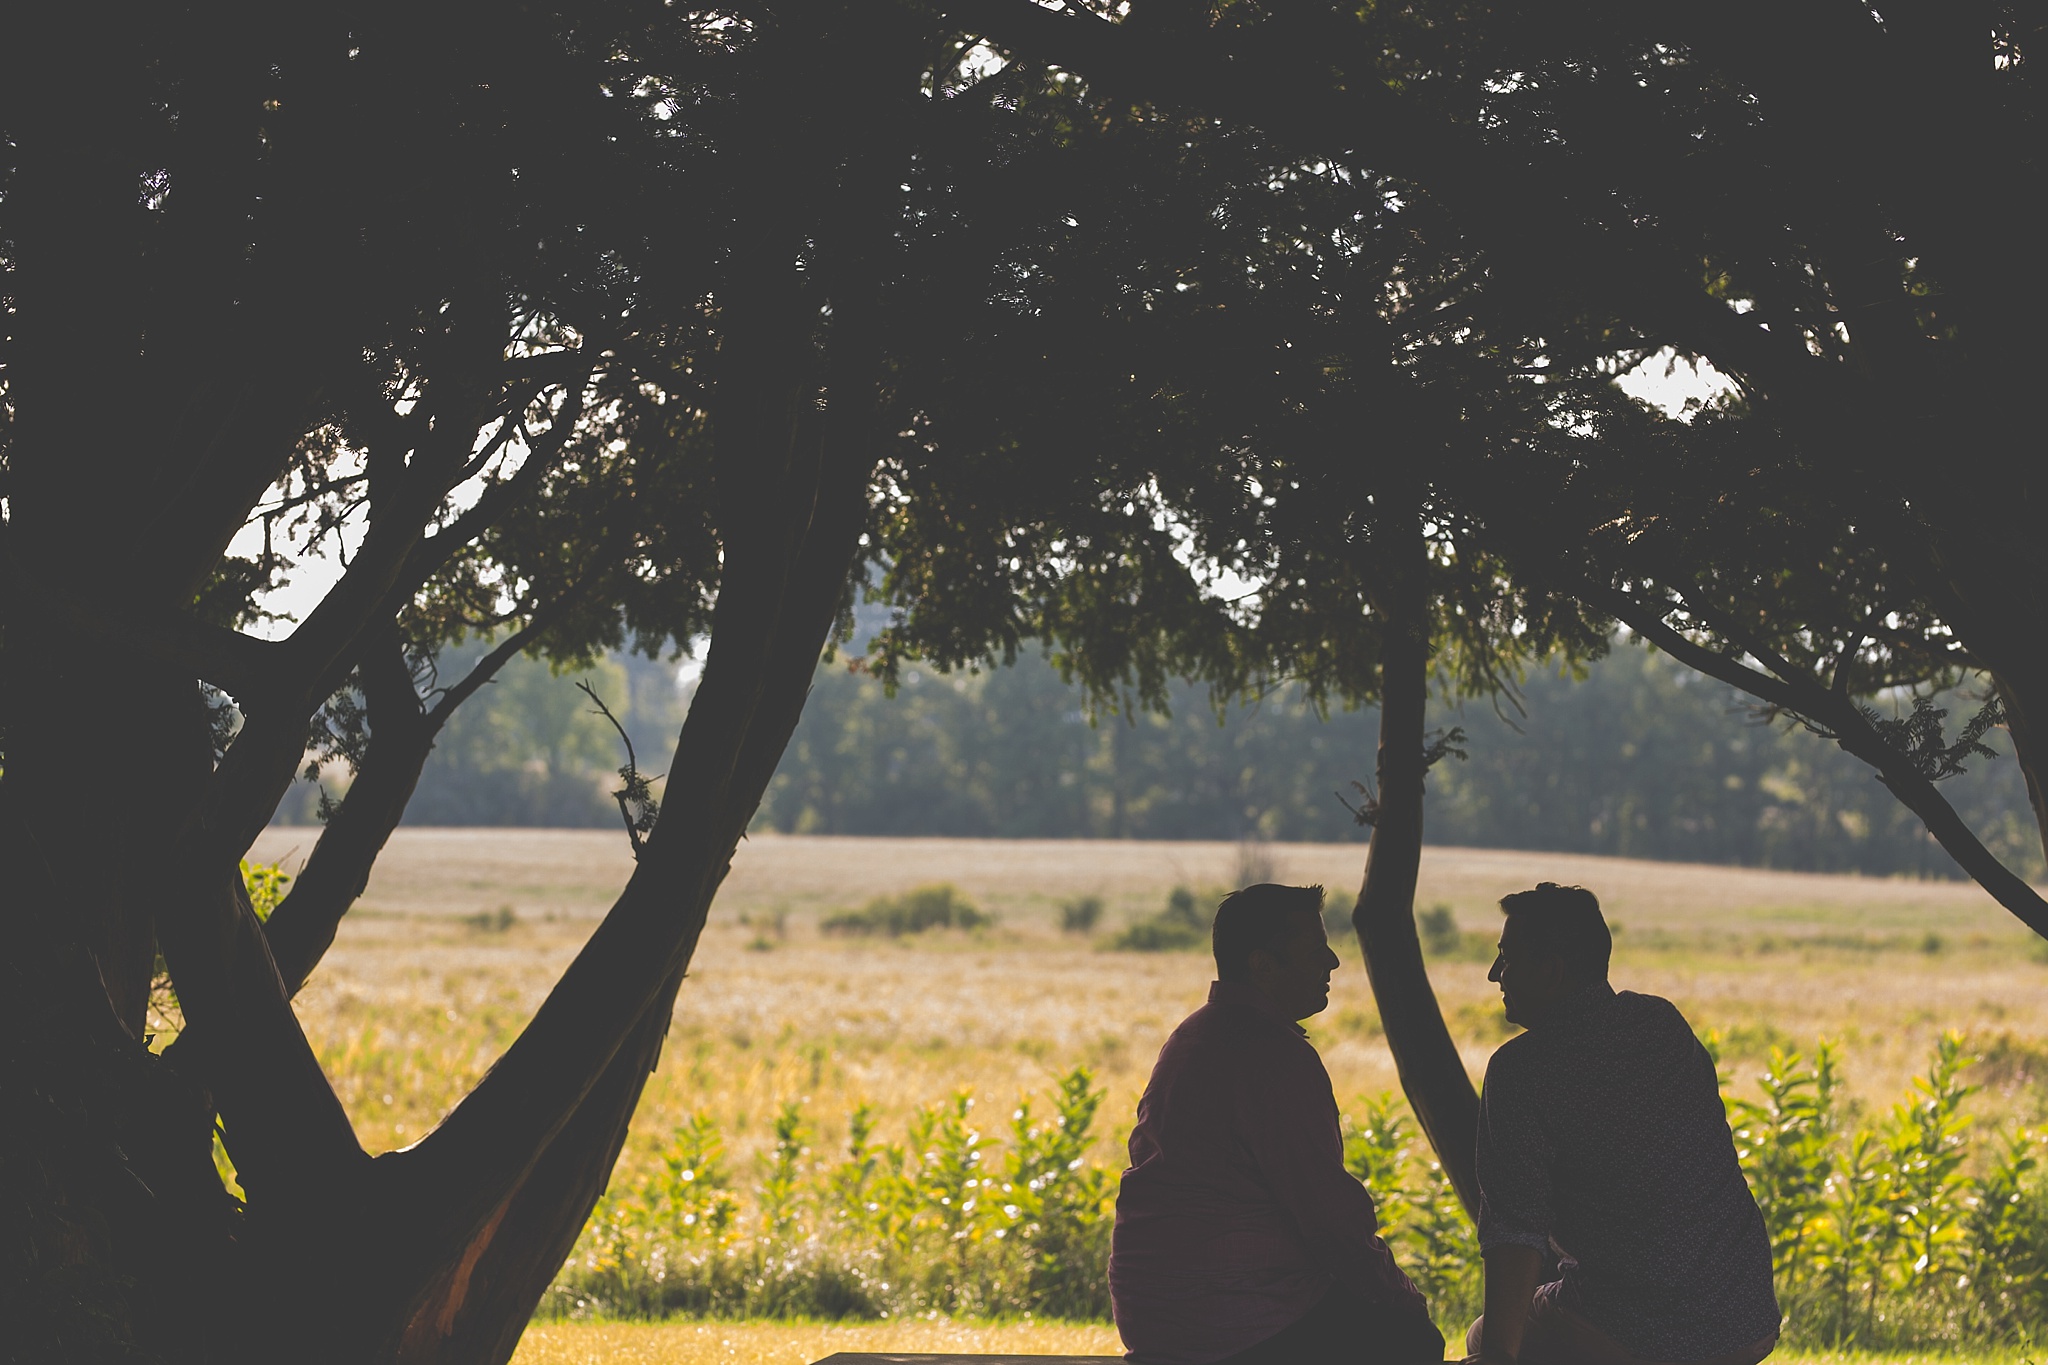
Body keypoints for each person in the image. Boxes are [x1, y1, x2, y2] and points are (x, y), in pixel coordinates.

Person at [1111, 883, 1445, 1365]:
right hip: (1234, 1320)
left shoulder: (1193, 1034)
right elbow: (1329, 1218)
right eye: (1315, 950)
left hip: (1156, 1314)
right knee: (1413, 1342)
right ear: (1262, 965)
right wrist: (1402, 1296)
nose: (1332, 962)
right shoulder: (1274, 1056)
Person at [1465, 883, 1779, 1365]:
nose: (1493, 974)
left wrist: (1496, 1357)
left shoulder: (1521, 1071)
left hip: (1638, 1332)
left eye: (1506, 959)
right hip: (1744, 1316)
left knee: (1483, 1336)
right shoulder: (1662, 1024)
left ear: (1551, 971)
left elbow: (1515, 1232)